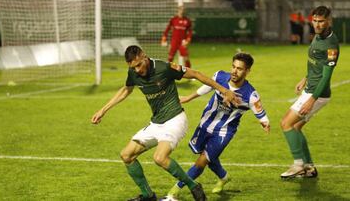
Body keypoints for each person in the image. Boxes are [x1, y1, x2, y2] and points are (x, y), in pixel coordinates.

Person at [91, 45, 240, 201]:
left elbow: (195, 74)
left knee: (159, 158)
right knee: (126, 155)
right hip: (156, 123)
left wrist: (224, 90)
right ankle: (148, 195)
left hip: (175, 119)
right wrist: (103, 110)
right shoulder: (133, 73)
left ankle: (193, 186)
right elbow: (126, 89)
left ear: (144, 56)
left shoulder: (164, 67)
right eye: (133, 68)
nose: (137, 71)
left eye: (138, 65)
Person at [165, 53, 270, 199]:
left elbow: (260, 111)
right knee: (209, 158)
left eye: (239, 69)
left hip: (224, 131)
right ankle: (224, 177)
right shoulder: (219, 77)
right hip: (206, 123)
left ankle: (174, 192)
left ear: (247, 71)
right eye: (233, 66)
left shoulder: (250, 94)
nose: (234, 71)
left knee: (202, 161)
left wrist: (264, 122)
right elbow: (206, 87)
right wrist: (188, 98)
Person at [280, 6, 340, 179]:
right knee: (296, 127)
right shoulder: (319, 37)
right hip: (311, 88)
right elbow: (316, 65)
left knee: (286, 123)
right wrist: (305, 78)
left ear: (329, 21)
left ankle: (298, 164)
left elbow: (326, 76)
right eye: (315, 20)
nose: (317, 24)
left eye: (321, 21)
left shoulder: (331, 45)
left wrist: (311, 99)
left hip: (317, 93)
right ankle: (309, 168)